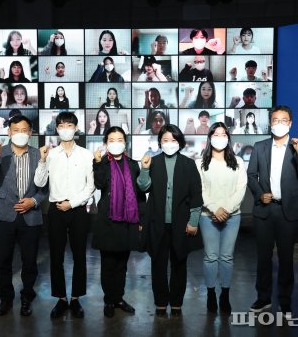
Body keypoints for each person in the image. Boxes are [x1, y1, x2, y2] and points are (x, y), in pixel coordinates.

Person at [247, 105, 298, 318]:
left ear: (290, 123)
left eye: (284, 120)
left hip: (288, 212)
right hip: (265, 210)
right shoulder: (260, 146)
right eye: (275, 120)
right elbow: (251, 176)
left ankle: (285, 302)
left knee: (286, 259)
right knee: (263, 258)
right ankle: (263, 298)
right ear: (270, 123)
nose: (279, 124)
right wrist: (259, 194)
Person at [0, 115, 49, 317]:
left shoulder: (39, 155)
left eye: (24, 130)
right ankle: (6, 298)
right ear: (9, 132)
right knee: (3, 260)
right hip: (4, 214)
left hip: (31, 215)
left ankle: (27, 297)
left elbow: (45, 188)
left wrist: (34, 201)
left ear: (30, 133)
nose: (20, 133)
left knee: (30, 261)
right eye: (16, 129)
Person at [137, 124, 203, 317]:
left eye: (173, 140)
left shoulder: (188, 164)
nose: (169, 143)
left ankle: (176, 303)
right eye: (165, 140)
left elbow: (196, 195)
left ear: (180, 142)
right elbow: (143, 187)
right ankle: (160, 302)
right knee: (157, 263)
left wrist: (193, 221)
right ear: (160, 143)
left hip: (181, 224)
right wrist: (144, 169)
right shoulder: (153, 162)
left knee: (179, 263)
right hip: (156, 223)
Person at [34, 111, 95, 319]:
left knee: (79, 255)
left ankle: (76, 298)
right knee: (56, 256)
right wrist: (41, 161)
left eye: (70, 125)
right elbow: (40, 183)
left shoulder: (86, 155)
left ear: (76, 128)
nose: (66, 129)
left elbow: (91, 187)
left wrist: (73, 203)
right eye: (62, 125)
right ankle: (60, 299)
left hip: (77, 210)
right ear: (57, 129)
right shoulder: (49, 154)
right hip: (56, 210)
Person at [92, 127, 146, 318]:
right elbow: (99, 184)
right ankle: (109, 300)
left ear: (125, 142)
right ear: (106, 142)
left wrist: (141, 218)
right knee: (108, 264)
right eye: (112, 139)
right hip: (107, 220)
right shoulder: (102, 163)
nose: (116, 142)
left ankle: (119, 298)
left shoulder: (132, 164)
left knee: (123, 264)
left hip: (128, 220)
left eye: (120, 139)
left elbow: (140, 194)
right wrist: (97, 163)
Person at [196, 122, 247, 314]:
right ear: (210, 138)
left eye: (223, 134)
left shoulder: (239, 162)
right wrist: (214, 208)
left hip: (232, 217)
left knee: (226, 257)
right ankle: (210, 294)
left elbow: (240, 189)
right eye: (216, 134)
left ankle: (224, 295)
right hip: (207, 217)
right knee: (210, 257)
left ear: (228, 138)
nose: (220, 137)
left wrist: (226, 209)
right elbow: (199, 190)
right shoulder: (200, 163)